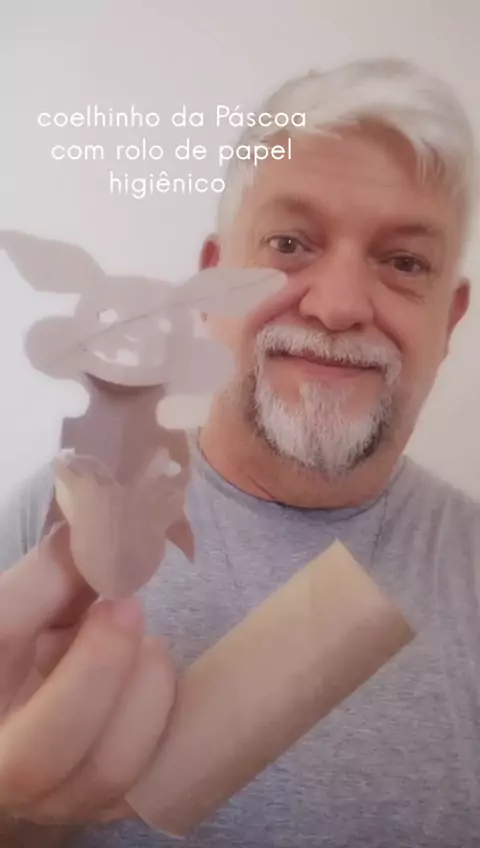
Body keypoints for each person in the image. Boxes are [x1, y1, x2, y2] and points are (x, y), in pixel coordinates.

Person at [0, 56, 479, 848]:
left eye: (404, 263)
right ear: (211, 281)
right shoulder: (47, 530)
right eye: (289, 243)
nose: (337, 307)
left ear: (450, 319)